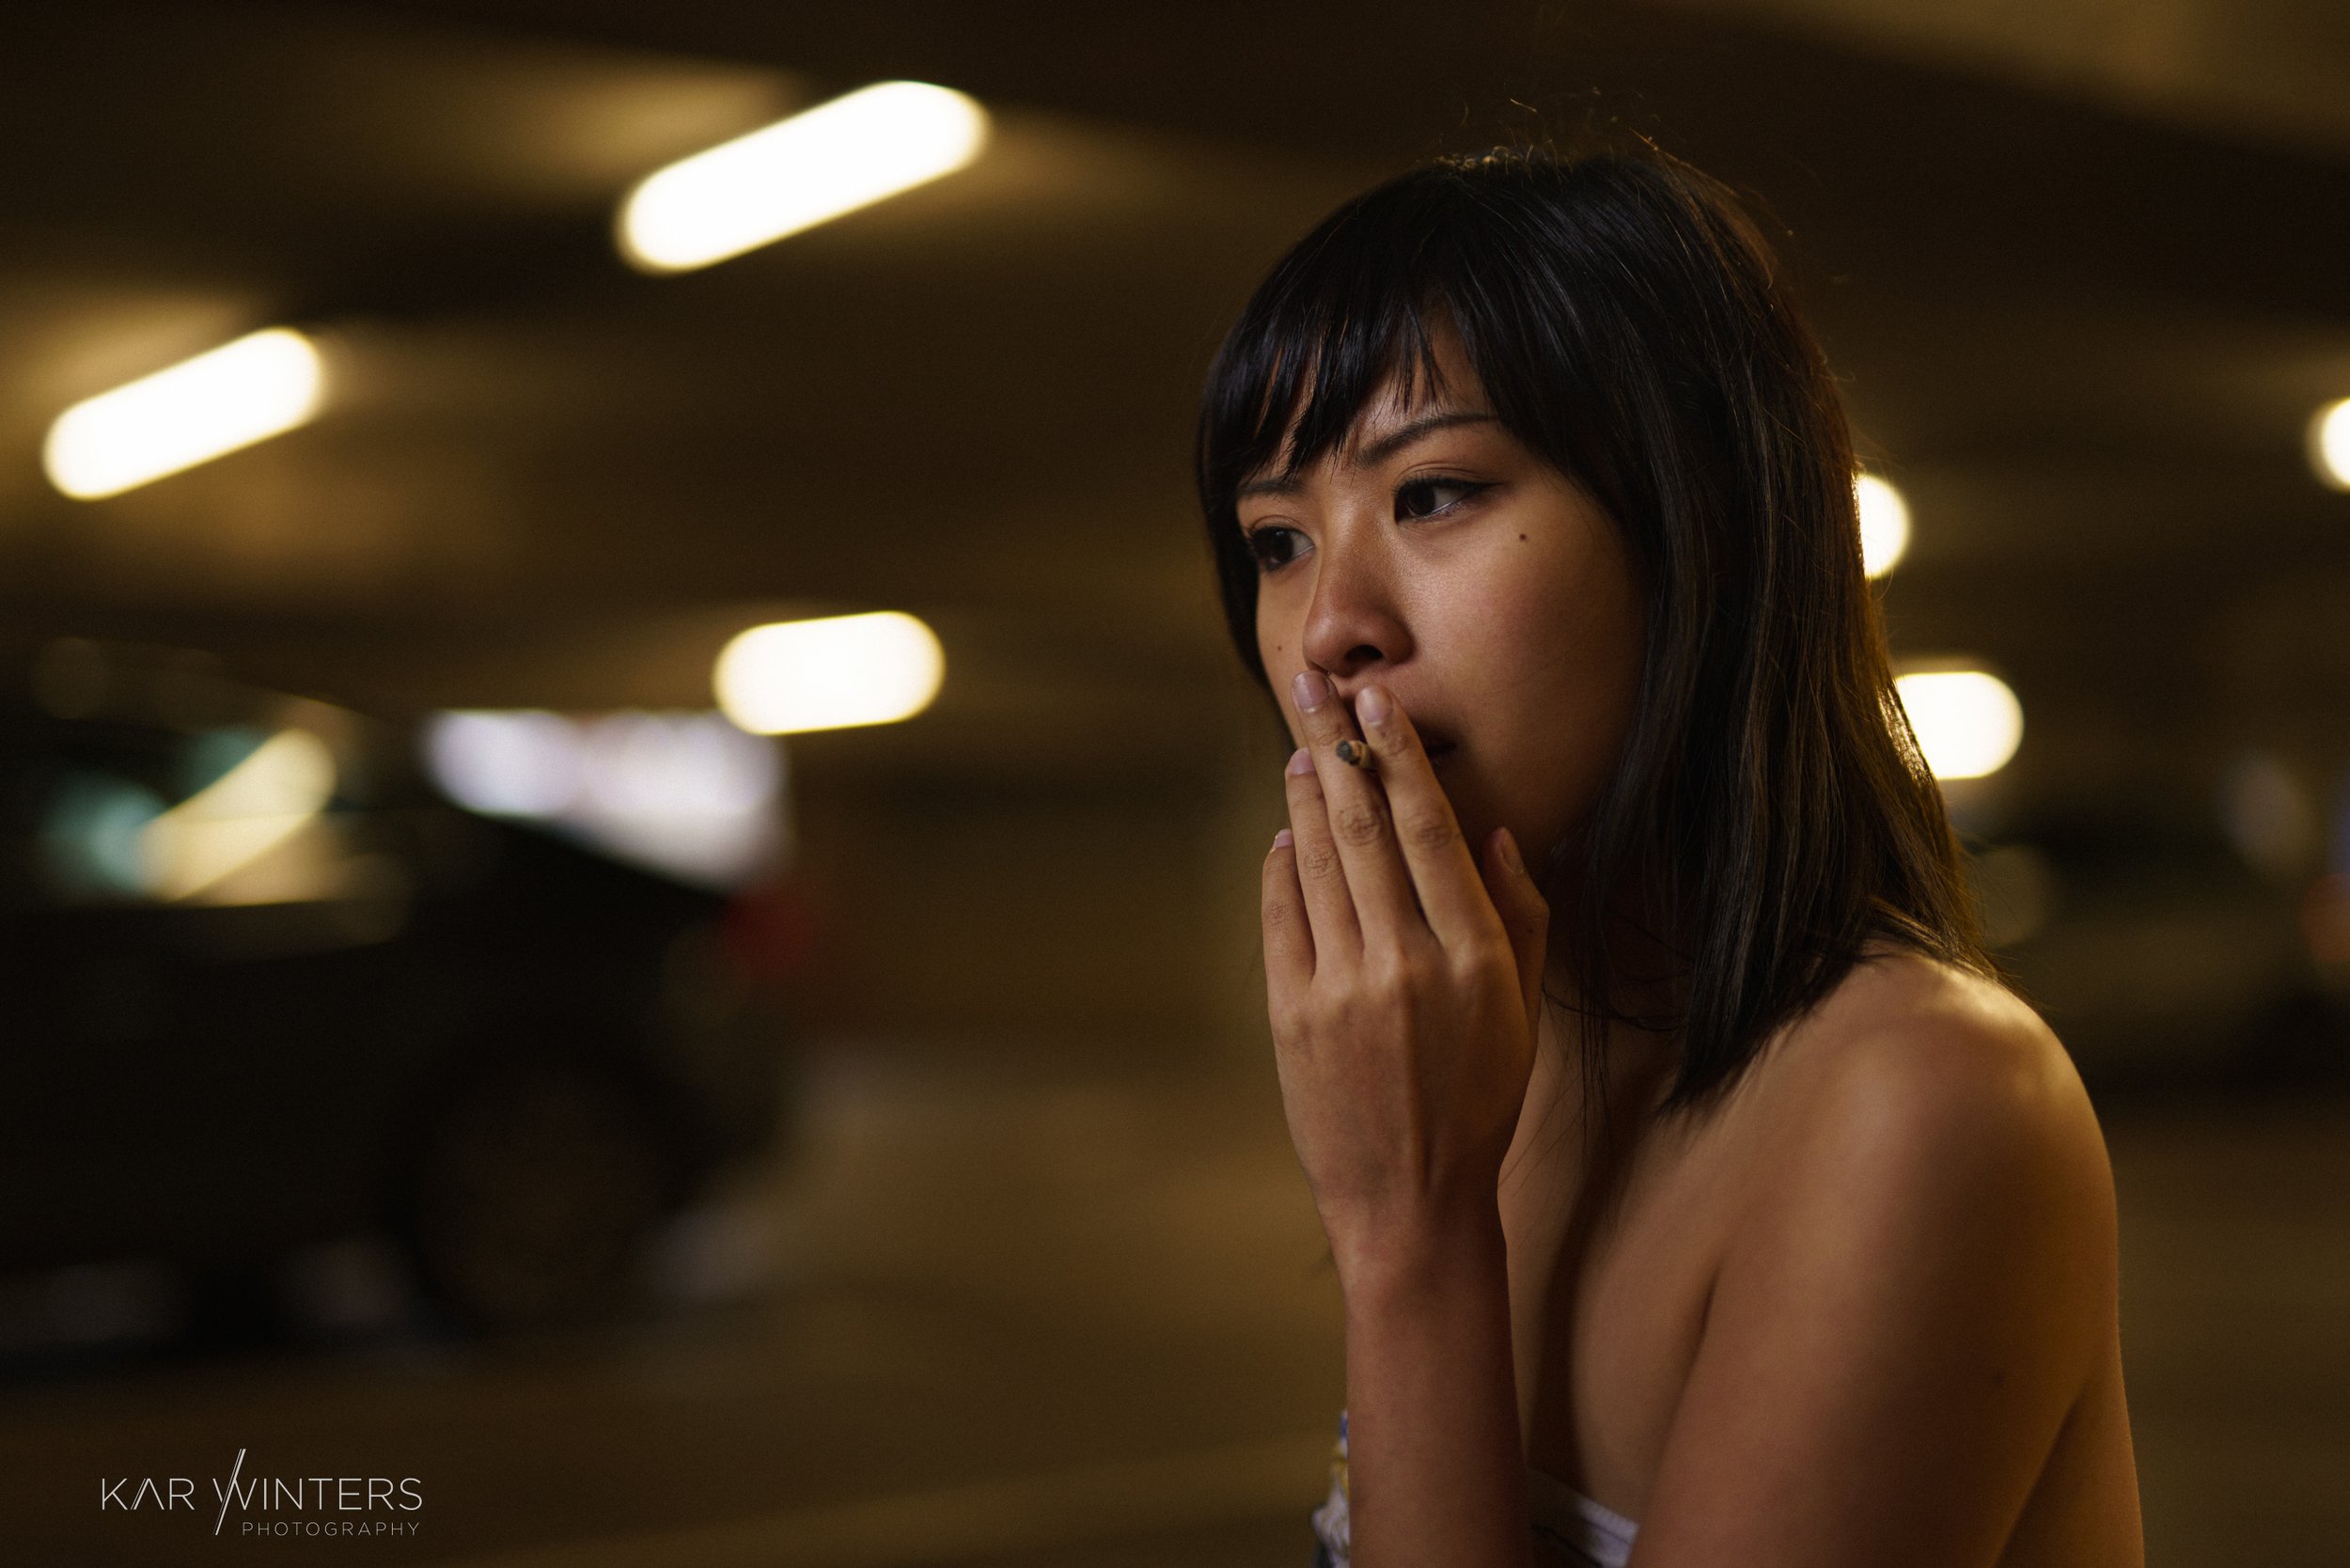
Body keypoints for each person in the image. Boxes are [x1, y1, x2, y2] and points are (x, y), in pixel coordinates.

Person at [1194, 147, 2143, 1567]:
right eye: (1276, 538)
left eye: (1434, 492)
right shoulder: (1498, 1052)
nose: (1331, 625)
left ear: (1693, 529)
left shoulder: (1925, 1101)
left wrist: (1409, 1242)